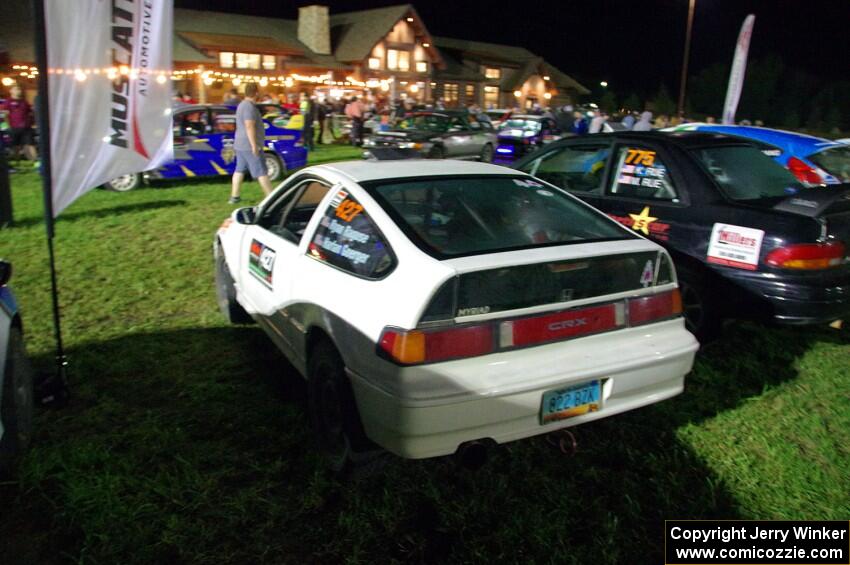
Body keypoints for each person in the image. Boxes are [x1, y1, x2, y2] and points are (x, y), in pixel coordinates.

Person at [229, 83, 273, 204]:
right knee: (261, 171)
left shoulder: (241, 105)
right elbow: (249, 125)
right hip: (249, 145)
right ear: (256, 93)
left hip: (240, 144)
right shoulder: (249, 107)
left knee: (239, 170)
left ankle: (234, 196)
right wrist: (254, 145)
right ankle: (271, 198)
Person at [0, 85, 37, 166]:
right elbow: (5, 115)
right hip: (14, 127)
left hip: (26, 127)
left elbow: (30, 112)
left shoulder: (24, 102)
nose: (18, 91)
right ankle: (17, 162)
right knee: (15, 146)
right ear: (11, 91)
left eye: (19, 89)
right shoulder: (8, 102)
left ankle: (35, 161)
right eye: (16, 89)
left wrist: (32, 122)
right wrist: (8, 126)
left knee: (30, 144)